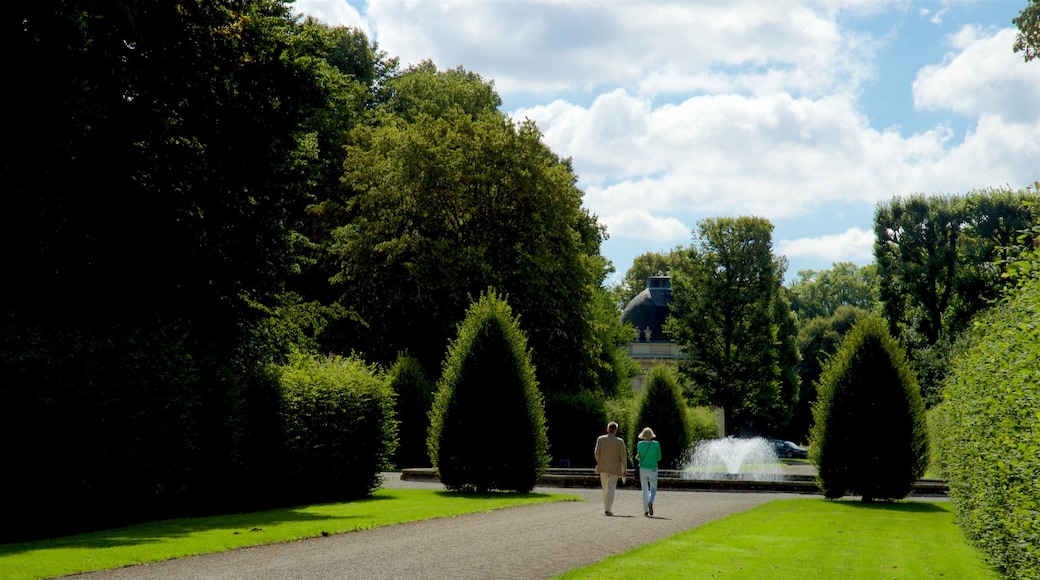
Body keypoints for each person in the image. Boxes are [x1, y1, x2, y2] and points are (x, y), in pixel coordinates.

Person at [594, 421, 627, 516]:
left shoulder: (600, 439)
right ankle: (607, 508)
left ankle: (606, 505)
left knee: (605, 487)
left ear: (607, 429)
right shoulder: (620, 442)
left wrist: (599, 462)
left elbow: (596, 453)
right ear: (616, 430)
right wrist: (624, 468)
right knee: (611, 488)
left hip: (603, 467)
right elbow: (623, 457)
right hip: (615, 468)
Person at [636, 426, 662, 517]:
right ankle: (650, 502)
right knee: (653, 488)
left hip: (642, 468)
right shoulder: (656, 444)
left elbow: (639, 456)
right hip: (653, 468)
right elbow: (659, 457)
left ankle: (645, 510)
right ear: (651, 435)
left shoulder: (640, 444)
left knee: (644, 489)